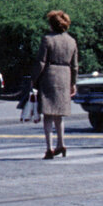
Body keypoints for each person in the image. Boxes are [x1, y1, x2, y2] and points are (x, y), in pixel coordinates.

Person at [31, 9, 77, 159]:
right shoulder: (71, 41)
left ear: (52, 24)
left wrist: (34, 79)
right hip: (65, 76)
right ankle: (61, 144)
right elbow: (75, 65)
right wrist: (73, 83)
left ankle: (49, 148)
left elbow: (41, 62)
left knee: (48, 115)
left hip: (50, 76)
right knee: (59, 115)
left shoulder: (47, 39)